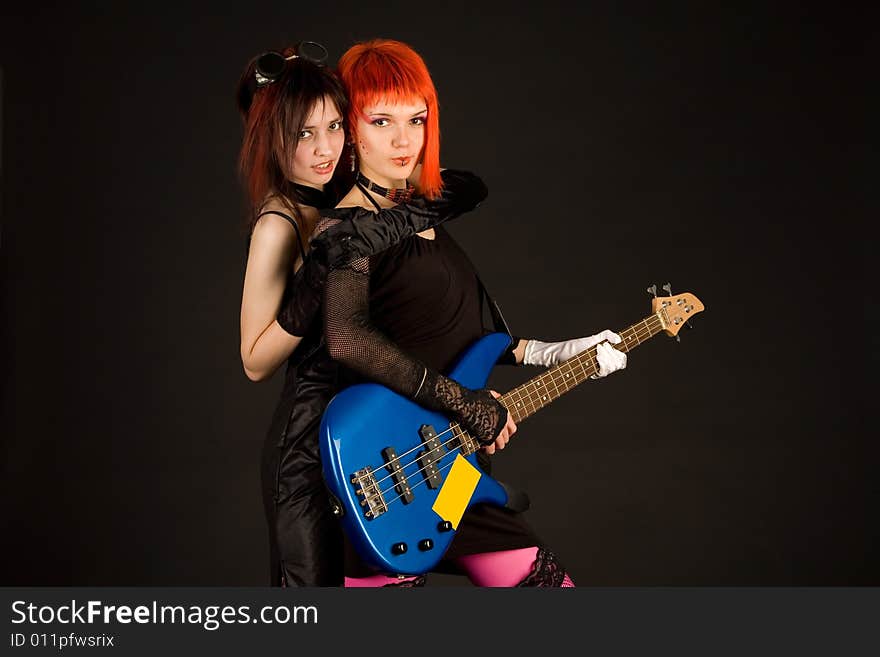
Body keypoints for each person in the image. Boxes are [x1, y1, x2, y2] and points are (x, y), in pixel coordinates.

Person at [319, 38, 628, 587]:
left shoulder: (420, 213)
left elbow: (460, 336)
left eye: (416, 120)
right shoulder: (348, 228)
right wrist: (466, 403)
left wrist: (555, 352)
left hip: (451, 472)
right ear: (347, 125)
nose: (402, 140)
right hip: (385, 472)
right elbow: (347, 340)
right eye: (380, 120)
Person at [235, 41, 488, 586]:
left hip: (363, 431)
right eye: (304, 133)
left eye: (333, 127)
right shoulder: (279, 222)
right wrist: (311, 290)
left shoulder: (337, 205)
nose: (324, 148)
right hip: (305, 448)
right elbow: (254, 361)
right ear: (273, 140)